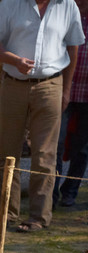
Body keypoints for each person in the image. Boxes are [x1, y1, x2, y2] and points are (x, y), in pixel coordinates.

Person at [0, 0, 84, 232]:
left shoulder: (67, 6)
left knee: (45, 154)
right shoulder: (11, 4)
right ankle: (6, 214)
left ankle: (39, 217)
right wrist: (14, 60)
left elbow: (73, 47)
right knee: (8, 151)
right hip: (14, 85)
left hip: (50, 85)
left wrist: (66, 90)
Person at [55, 0, 88, 207]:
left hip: (86, 95)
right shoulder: (62, 16)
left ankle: (70, 191)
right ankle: (50, 194)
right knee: (55, 145)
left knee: (83, 148)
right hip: (59, 91)